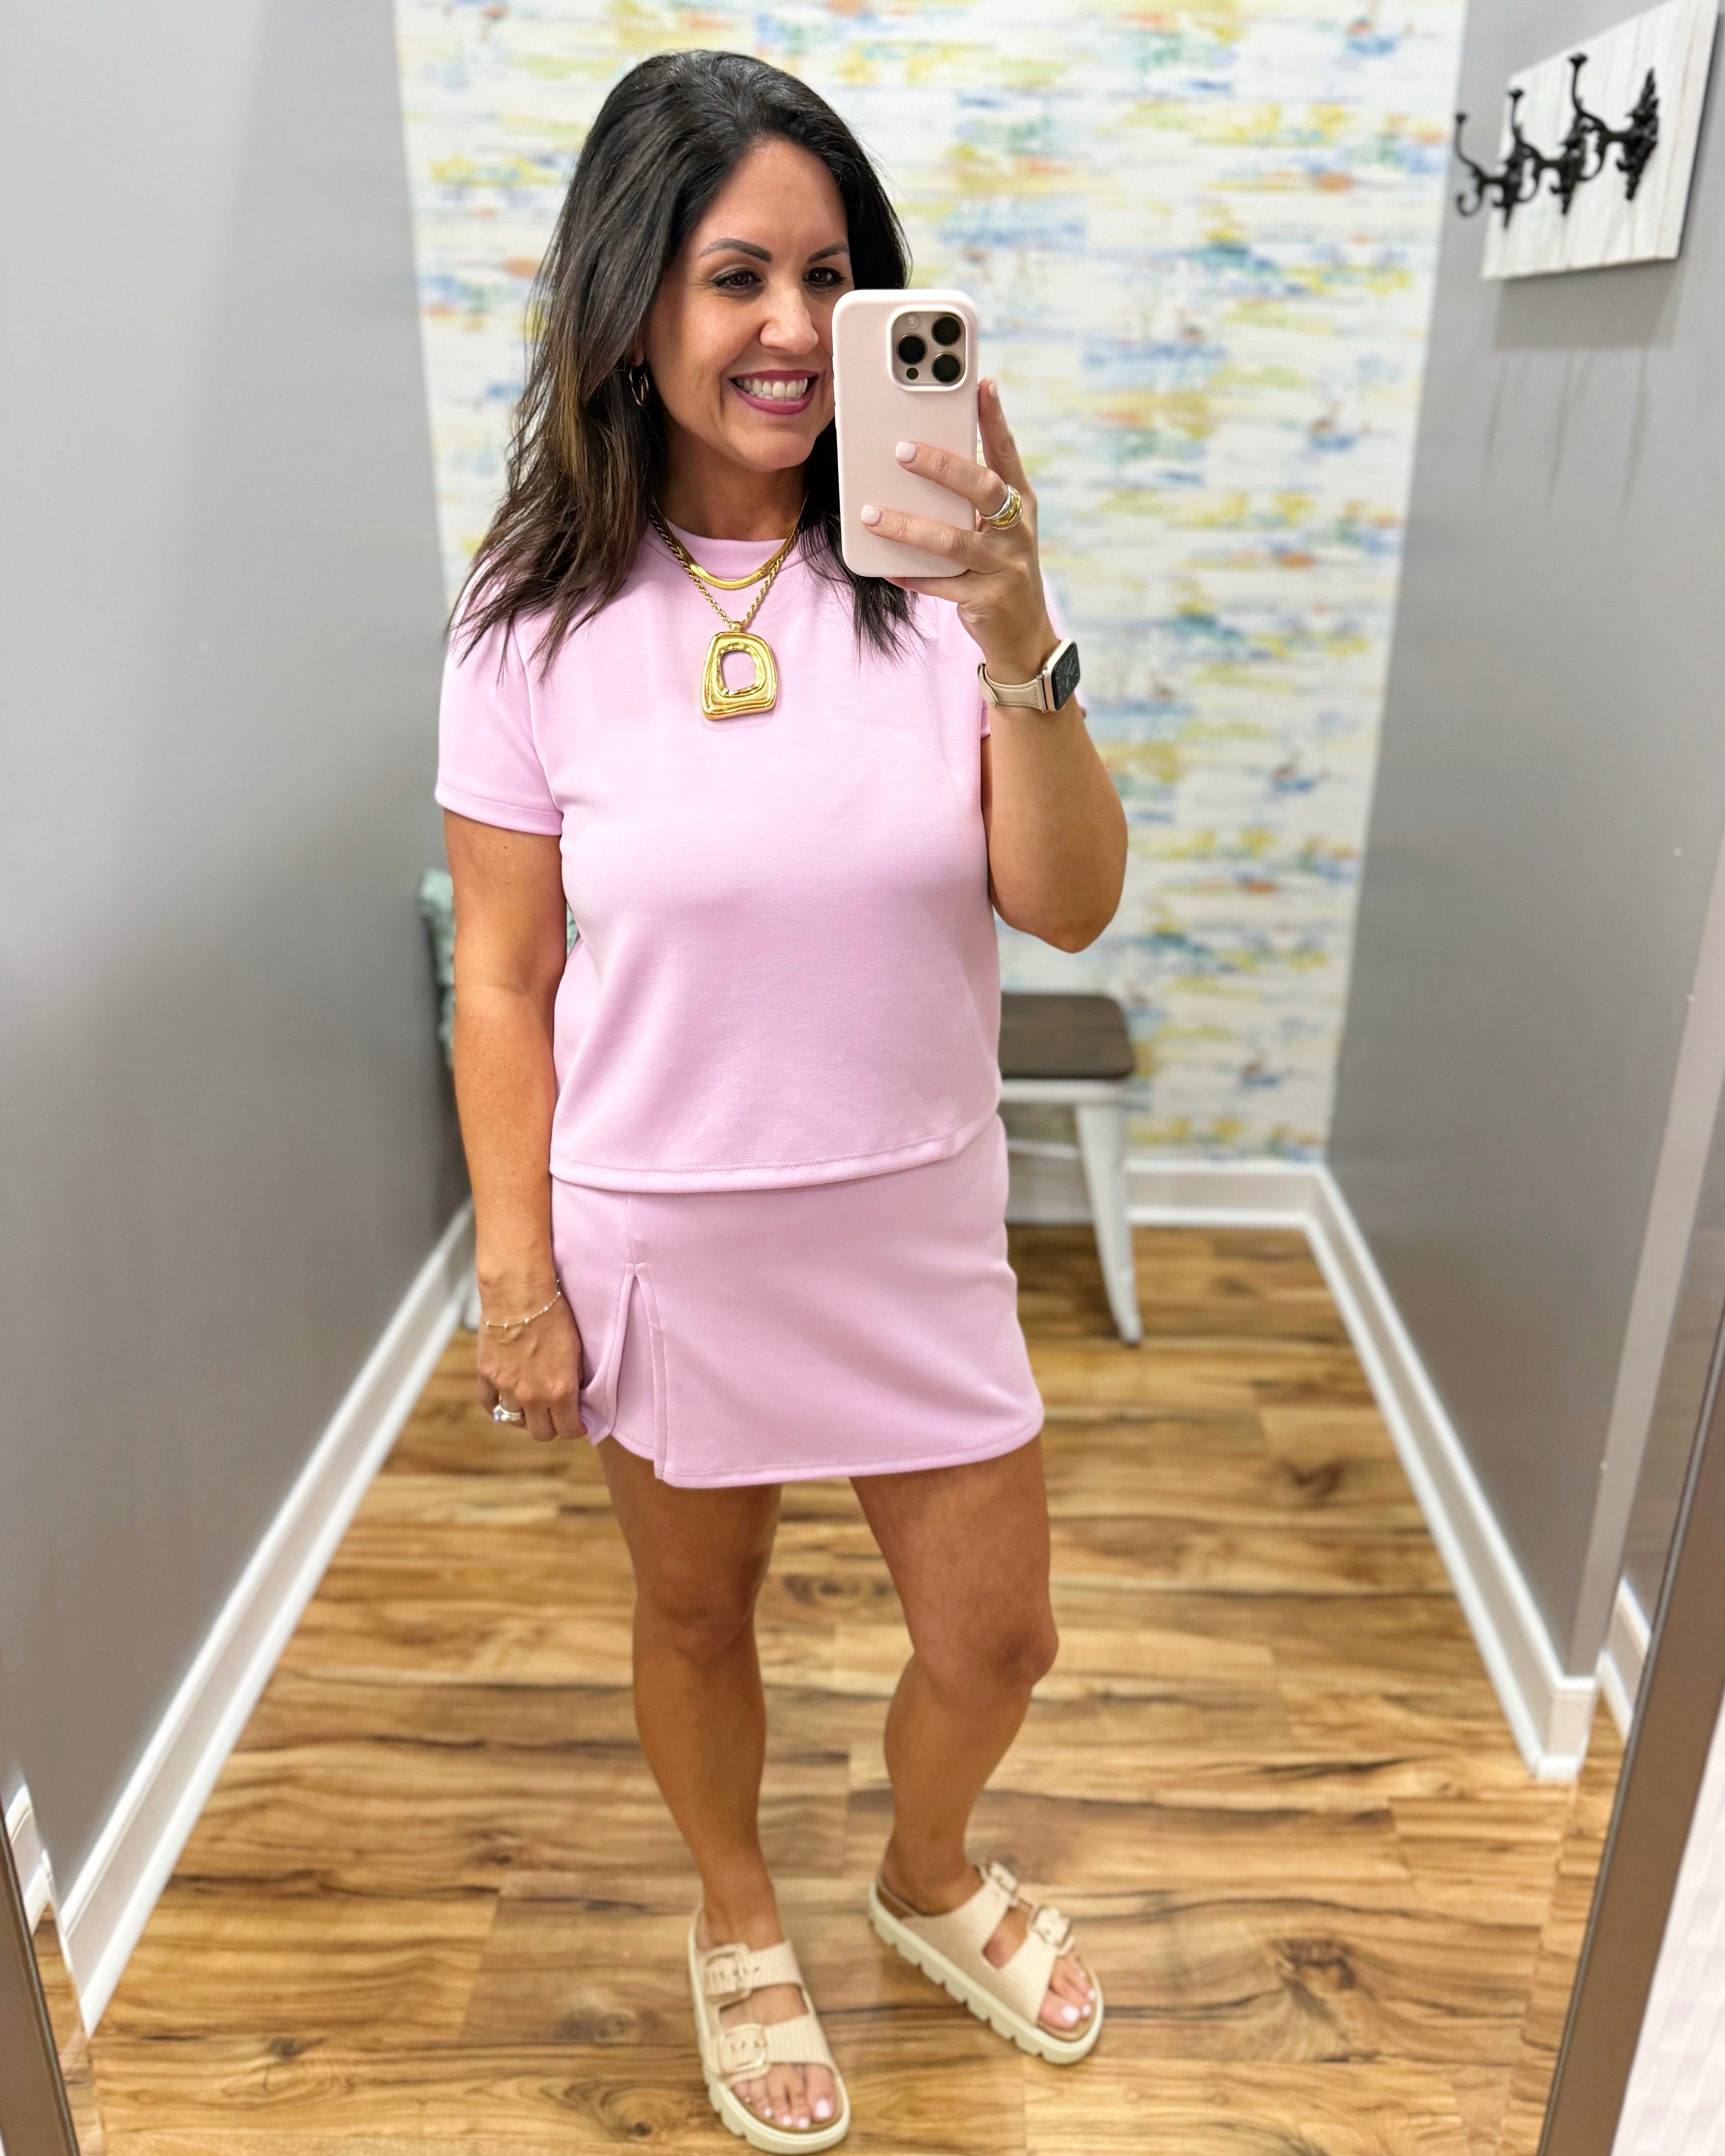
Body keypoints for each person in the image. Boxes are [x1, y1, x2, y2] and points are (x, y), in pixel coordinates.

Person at [437, 48, 1126, 2154]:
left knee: (995, 1638)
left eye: (829, 276)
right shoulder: (529, 625)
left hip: (909, 1220)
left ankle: (920, 1872)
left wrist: (1017, 631)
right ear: (631, 305)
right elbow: (503, 973)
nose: (790, 330)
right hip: (670, 1224)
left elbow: (1070, 910)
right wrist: (520, 1270)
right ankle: (734, 1907)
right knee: (688, 1611)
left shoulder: (936, 580)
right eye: (735, 274)